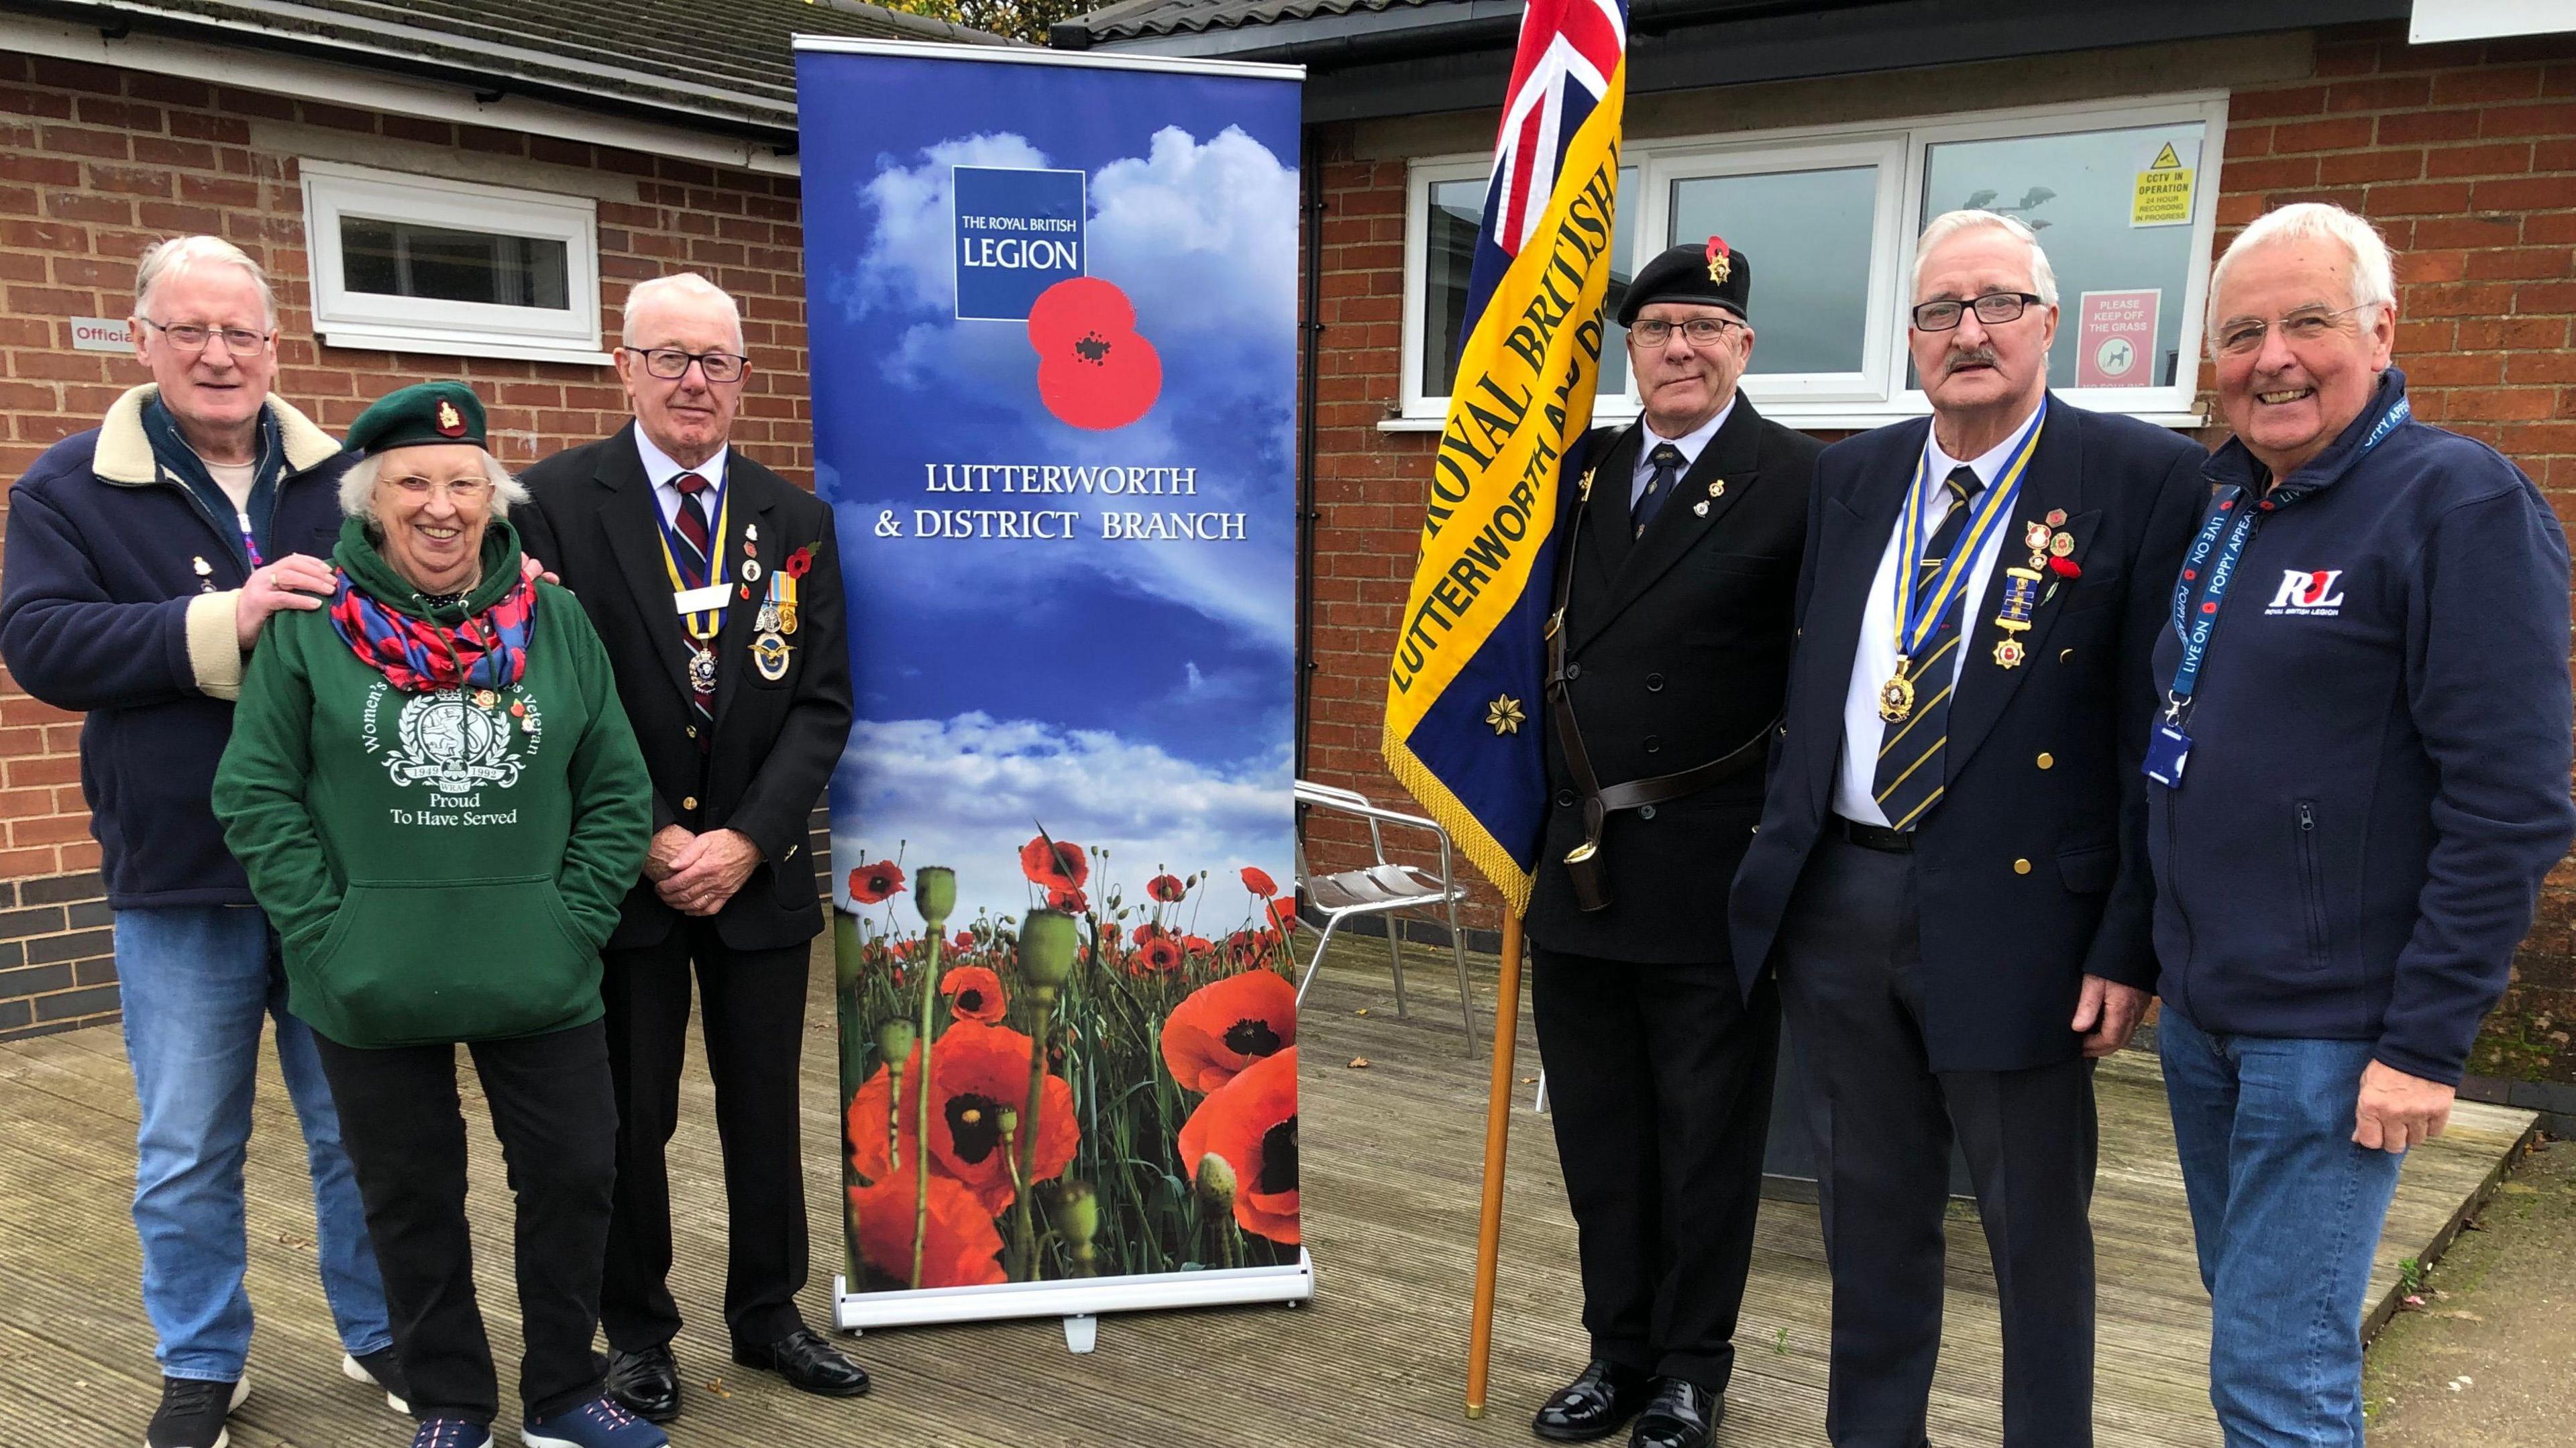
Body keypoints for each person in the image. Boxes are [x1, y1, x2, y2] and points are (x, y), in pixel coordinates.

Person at [1728, 210, 2204, 1447]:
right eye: (1941, 311)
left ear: (2051, 322)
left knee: (2034, 1232)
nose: (1970, 332)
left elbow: (2151, 732)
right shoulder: (1853, 477)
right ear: (1913, 339)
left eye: (1997, 303)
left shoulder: (2141, 479)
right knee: (1867, 1219)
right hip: (1843, 899)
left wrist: (2125, 943)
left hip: (2025, 921)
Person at [2147, 202, 2575, 1446]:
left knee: (2279, 1381)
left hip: (2334, 1038)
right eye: (2241, 333)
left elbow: (2511, 803)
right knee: (2256, 1329)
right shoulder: (2230, 501)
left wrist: (2430, 1042)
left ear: (2382, 331)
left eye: (2308, 322)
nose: (2271, 356)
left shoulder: (2457, 502)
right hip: (2207, 1019)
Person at [0, 235, 405, 1448]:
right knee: (185, 1145)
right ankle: (199, 1362)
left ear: (276, 345)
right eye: (189, 331)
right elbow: (44, 645)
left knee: (359, 1126)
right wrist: (223, 621)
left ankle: (380, 1328)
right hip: (177, 873)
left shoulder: (355, 480)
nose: (218, 354)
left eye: (241, 332)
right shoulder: (68, 488)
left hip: (341, 871)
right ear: (143, 340)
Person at [210, 382, 659, 1448]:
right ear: (372, 502)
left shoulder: (553, 617)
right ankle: (452, 1399)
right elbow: (255, 792)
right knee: (409, 1198)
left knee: (576, 1175)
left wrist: (571, 919)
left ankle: (561, 1392)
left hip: (541, 971)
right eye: (414, 482)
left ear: (494, 501)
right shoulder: (315, 627)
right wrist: (327, 930)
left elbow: (616, 788)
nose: (443, 505)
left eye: (467, 483)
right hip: (366, 977)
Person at [513, 273, 860, 1421]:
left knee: (764, 1107)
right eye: (670, 358)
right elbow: (549, 692)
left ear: (745, 379)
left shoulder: (794, 519)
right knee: (630, 1116)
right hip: (626, 874)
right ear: (625, 366)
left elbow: (821, 705)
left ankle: (768, 1315)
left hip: (755, 882)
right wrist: (658, 832)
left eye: (716, 361)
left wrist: (750, 841)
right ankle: (639, 1334)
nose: (694, 381)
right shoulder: (554, 505)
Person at [1523, 240, 1822, 1448]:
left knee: (1705, 1139)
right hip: (1580, 872)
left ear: (1744, 347)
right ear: (1629, 349)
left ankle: (1694, 1368)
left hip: (1712, 866)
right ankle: (1617, 1350)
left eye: (1706, 327)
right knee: (1602, 1133)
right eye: (1658, 330)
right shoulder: (1581, 472)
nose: (1681, 349)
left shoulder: (1801, 482)